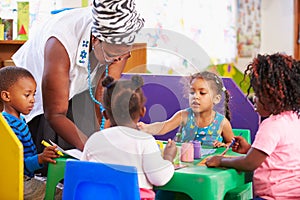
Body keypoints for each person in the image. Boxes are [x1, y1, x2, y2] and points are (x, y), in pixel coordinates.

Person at [11, 0, 145, 153]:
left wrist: (103, 140)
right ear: (95, 40)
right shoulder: (60, 43)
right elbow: (55, 113)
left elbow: (104, 98)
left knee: (87, 131)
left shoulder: (119, 43)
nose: (119, 60)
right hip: (42, 82)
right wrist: (91, 149)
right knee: (49, 144)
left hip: (84, 74)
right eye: (113, 55)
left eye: (124, 55)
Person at [205, 53, 300, 200]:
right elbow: (279, 158)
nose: (254, 98)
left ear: (272, 96)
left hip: (272, 197)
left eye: (258, 93)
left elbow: (249, 163)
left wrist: (220, 160)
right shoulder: (294, 118)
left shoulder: (271, 125)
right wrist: (250, 149)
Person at [81, 75, 177, 199]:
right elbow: (159, 178)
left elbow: (83, 173)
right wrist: (168, 157)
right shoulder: (144, 141)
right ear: (143, 111)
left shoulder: (94, 140)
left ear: (105, 114)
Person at [0, 66, 62, 199]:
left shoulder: (19, 120)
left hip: (26, 177)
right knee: (60, 193)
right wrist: (40, 158)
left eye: (33, 94)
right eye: (27, 95)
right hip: (19, 181)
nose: (32, 100)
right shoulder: (8, 125)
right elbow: (16, 165)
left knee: (58, 187)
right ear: (6, 96)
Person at [138, 71, 234, 147]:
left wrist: (224, 145)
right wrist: (146, 128)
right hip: (187, 165)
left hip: (209, 168)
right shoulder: (184, 115)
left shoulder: (222, 122)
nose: (195, 96)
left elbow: (232, 144)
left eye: (202, 93)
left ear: (216, 99)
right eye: (192, 92)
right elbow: (164, 127)